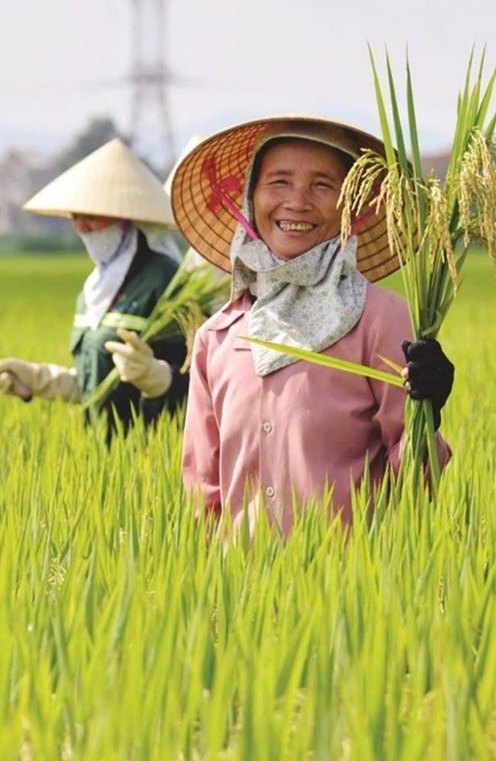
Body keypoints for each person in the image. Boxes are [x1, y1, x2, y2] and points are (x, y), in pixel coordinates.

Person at [170, 115, 455, 535]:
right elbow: (203, 492)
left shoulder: (377, 318)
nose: (297, 202)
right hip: (238, 589)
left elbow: (414, 483)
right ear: (250, 198)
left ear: (351, 207)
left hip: (346, 587)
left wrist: (426, 417)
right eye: (279, 182)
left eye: (323, 185)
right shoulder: (218, 336)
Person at [0, 138, 189, 430]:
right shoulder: (93, 290)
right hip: (101, 452)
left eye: (91, 215)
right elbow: (94, 381)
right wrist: (40, 380)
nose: (80, 227)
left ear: (126, 216)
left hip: (153, 450)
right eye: (75, 216)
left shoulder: (165, 279)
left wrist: (159, 378)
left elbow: (202, 379)